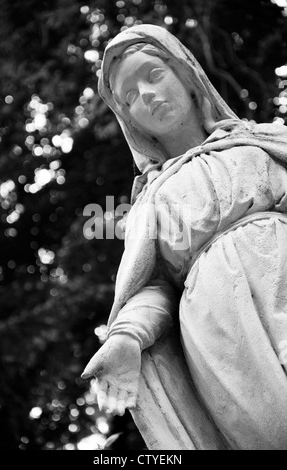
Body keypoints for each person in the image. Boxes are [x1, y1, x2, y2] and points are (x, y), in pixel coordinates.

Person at [82, 24, 287, 450]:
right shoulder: (151, 201)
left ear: (187, 76)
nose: (147, 96)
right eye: (130, 97)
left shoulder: (262, 142)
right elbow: (153, 287)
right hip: (220, 336)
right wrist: (126, 338)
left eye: (153, 75)